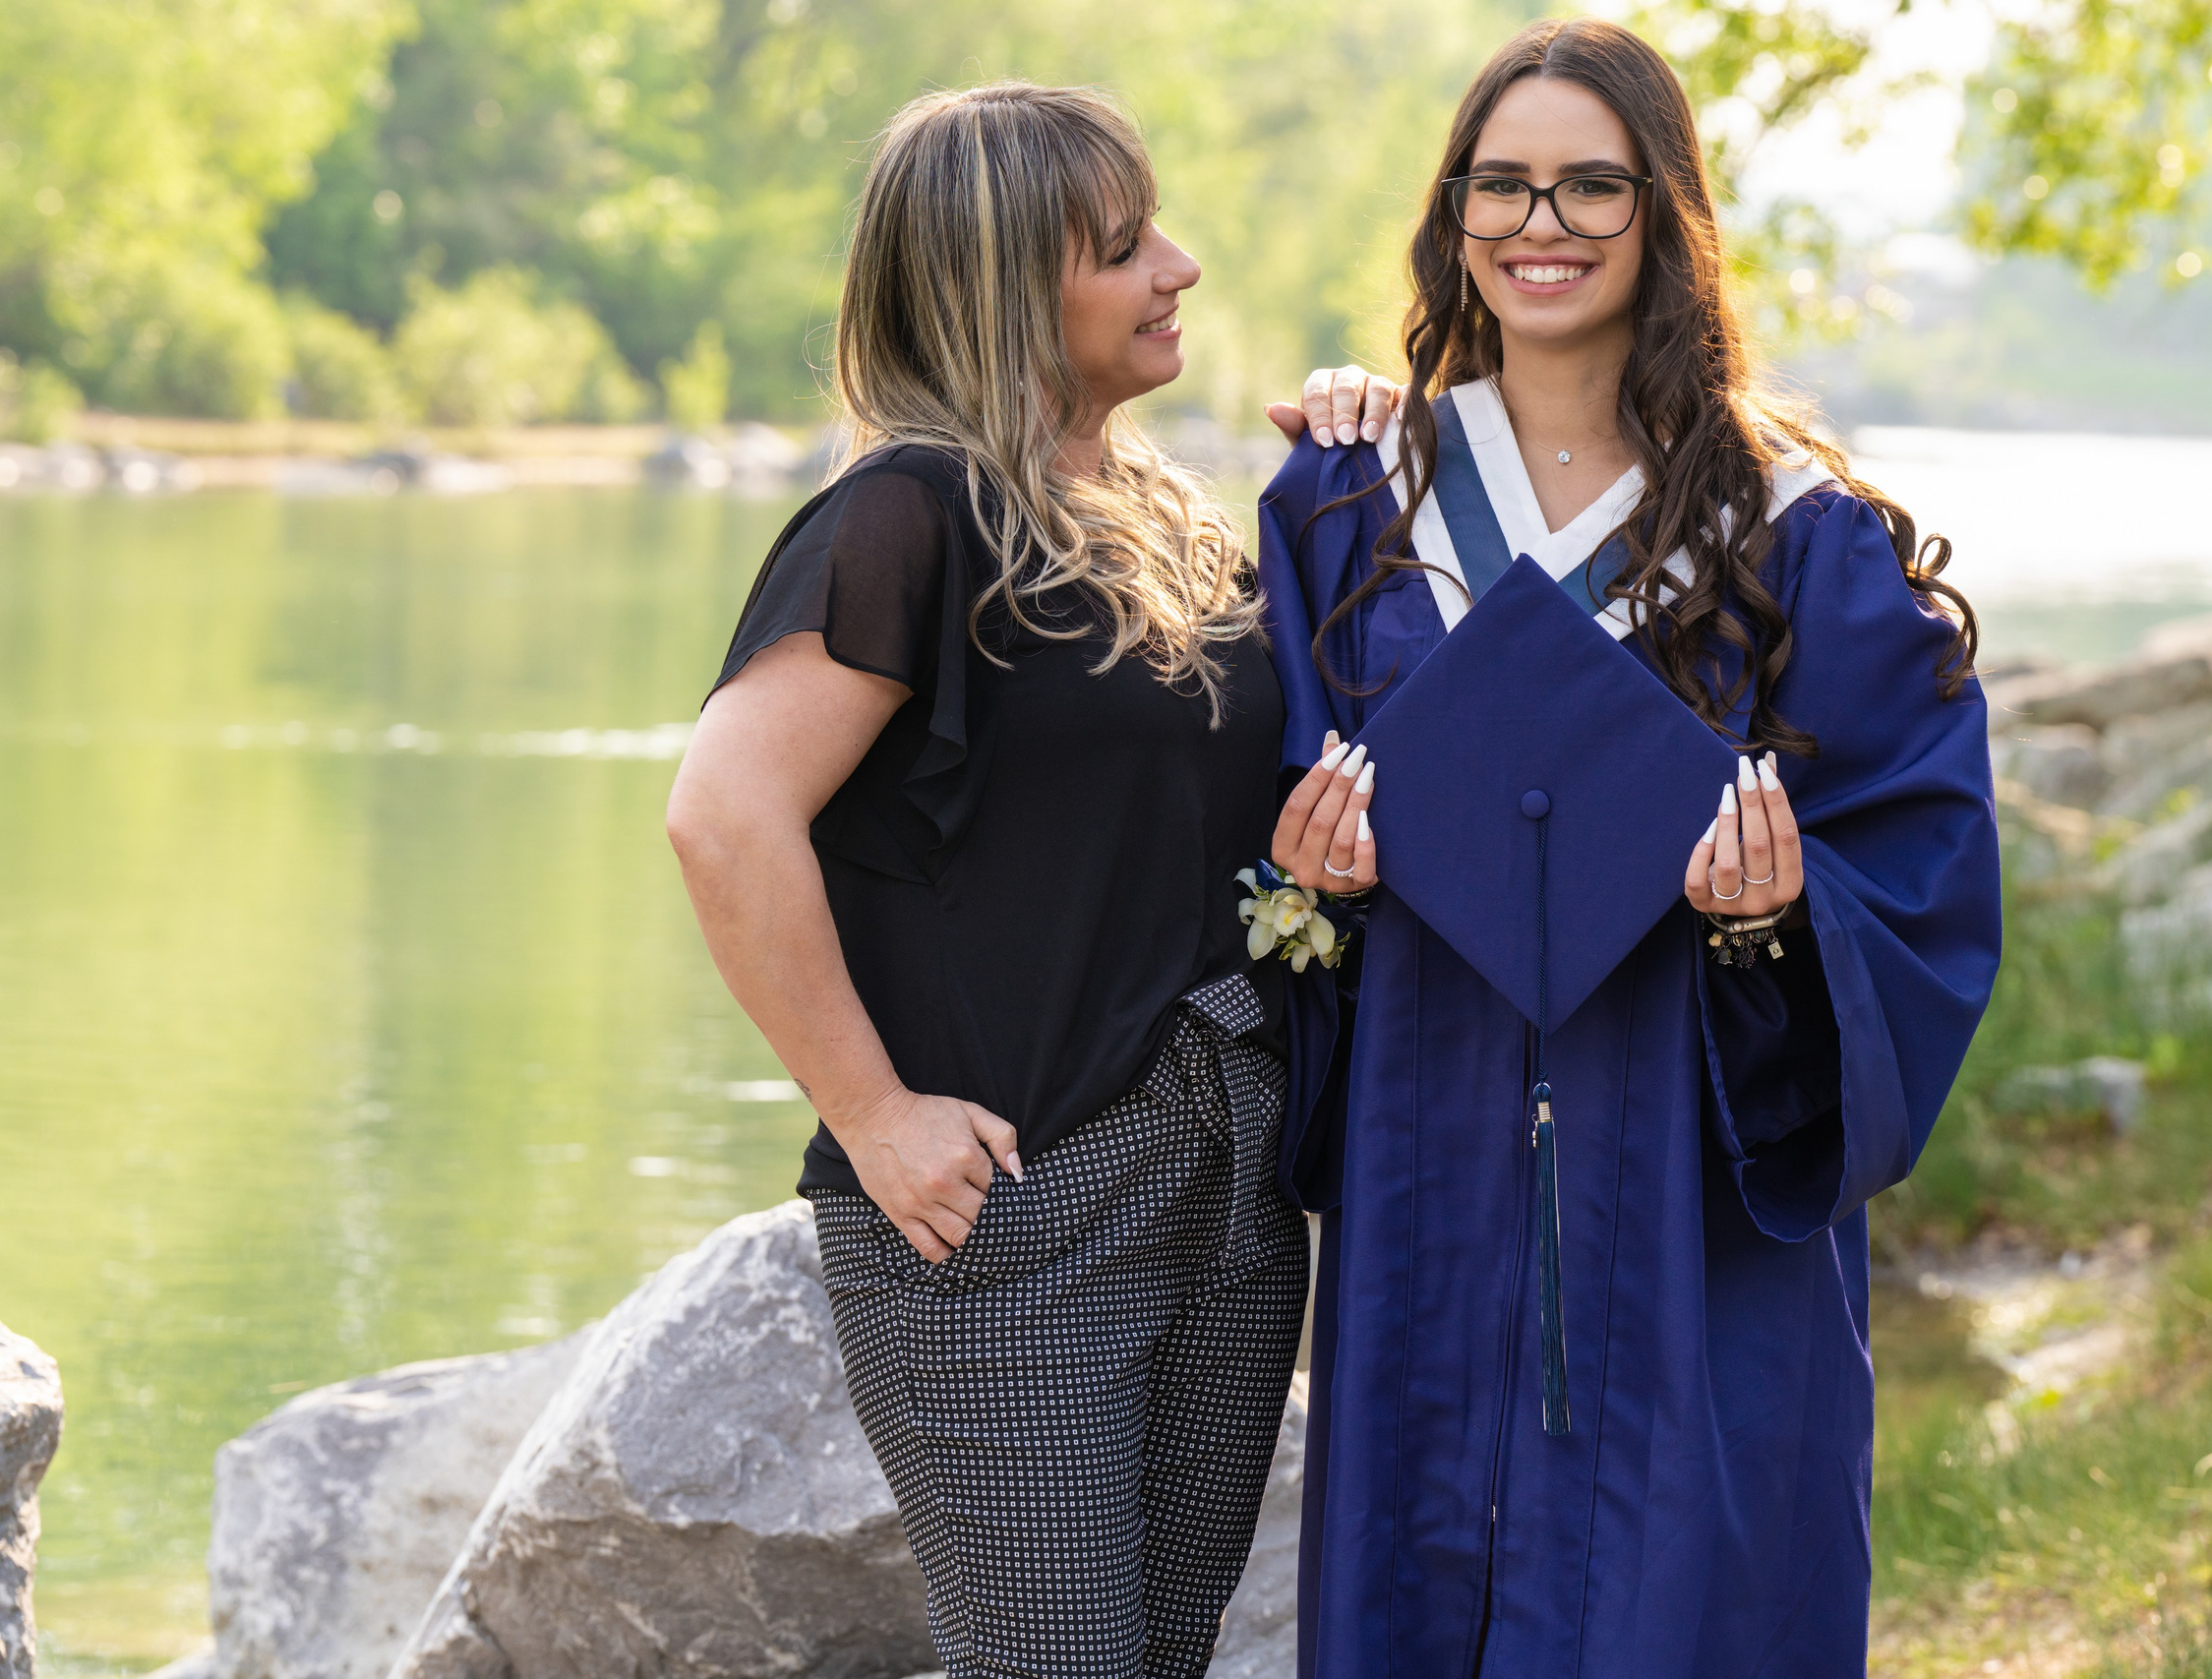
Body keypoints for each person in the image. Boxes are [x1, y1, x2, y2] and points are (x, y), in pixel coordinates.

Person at [1255, 18, 2002, 1676]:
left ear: (1666, 215)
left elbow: (1923, 870)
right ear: (1455, 214)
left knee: (1688, 1594)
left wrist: (1777, 924)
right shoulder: (1345, 506)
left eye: (1593, 186)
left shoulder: (1799, 534)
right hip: (1423, 1151)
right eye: (1503, 185)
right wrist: (1318, 875)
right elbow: (1253, 815)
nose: (1544, 223)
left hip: (1689, 1167)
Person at [665, 82, 1370, 1679]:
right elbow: (723, 818)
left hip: (1230, 1183)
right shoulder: (905, 516)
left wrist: (1368, 459)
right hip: (1012, 1210)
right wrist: (870, 1113)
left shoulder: (1173, 518)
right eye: (1124, 248)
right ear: (1003, 290)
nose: (1179, 266)